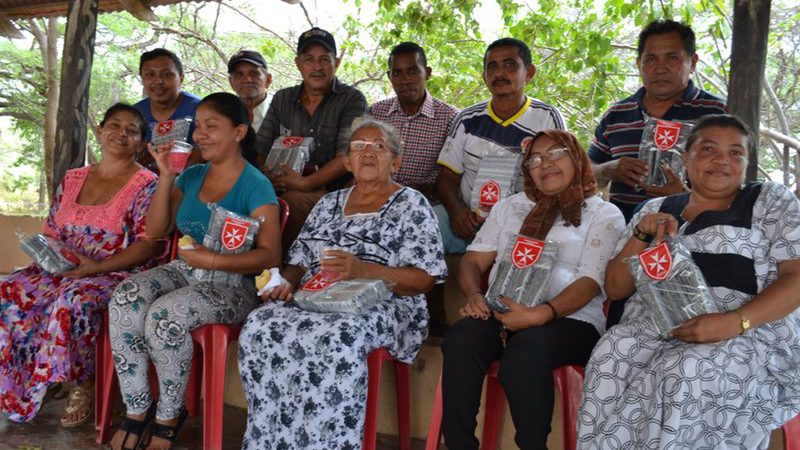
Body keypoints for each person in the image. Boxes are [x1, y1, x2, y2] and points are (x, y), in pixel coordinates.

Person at [578, 114, 800, 450]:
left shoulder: (769, 201)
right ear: (685, 158)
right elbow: (616, 288)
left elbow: (796, 276)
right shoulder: (656, 207)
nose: (722, 159)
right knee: (614, 350)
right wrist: (642, 232)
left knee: (688, 367)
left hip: (749, 334)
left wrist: (732, 322)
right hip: (656, 330)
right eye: (709, 149)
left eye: (736, 153)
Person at [238, 117, 447, 449]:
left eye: (378, 146)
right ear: (347, 161)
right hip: (317, 299)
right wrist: (284, 284)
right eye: (358, 147)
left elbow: (423, 279)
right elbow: (299, 260)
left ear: (396, 161)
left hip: (387, 305)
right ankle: (271, 440)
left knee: (339, 335)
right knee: (260, 323)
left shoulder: (412, 205)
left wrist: (363, 269)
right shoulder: (329, 204)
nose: (367, 153)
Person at [108, 93, 281, 450]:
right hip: (185, 270)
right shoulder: (192, 174)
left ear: (238, 132)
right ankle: (138, 408)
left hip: (233, 287)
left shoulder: (255, 185)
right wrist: (167, 177)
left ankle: (170, 414)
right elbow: (157, 231)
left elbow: (270, 256)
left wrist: (214, 261)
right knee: (125, 295)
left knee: (165, 314)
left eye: (211, 126)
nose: (200, 135)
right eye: (198, 126)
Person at [440, 129, 625, 449]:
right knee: (461, 339)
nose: (545, 164)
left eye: (556, 153)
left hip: (570, 320)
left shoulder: (602, 213)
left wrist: (540, 314)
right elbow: (473, 261)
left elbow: (592, 281)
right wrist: (474, 295)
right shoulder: (510, 207)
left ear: (578, 159)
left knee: (524, 354)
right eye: (535, 159)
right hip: (502, 310)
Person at [0, 103, 162, 425]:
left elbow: (148, 245)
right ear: (100, 131)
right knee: (10, 290)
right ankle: (33, 374)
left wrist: (95, 268)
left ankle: (83, 381)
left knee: (74, 298)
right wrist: (49, 256)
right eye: (115, 125)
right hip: (63, 268)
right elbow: (52, 231)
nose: (122, 134)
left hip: (115, 271)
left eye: (132, 130)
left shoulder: (147, 184)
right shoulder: (73, 178)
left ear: (142, 143)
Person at [436, 37, 565, 254]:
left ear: (530, 73)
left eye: (510, 64)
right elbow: (447, 177)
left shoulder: (547, 118)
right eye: (492, 66)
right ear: (484, 76)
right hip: (468, 219)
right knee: (428, 223)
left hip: (521, 220)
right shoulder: (467, 118)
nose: (499, 73)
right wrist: (457, 212)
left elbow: (560, 178)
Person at [589, 20, 726, 222]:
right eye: (651, 59)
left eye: (672, 58)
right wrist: (608, 169)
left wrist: (683, 196)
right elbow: (586, 173)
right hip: (623, 239)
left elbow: (738, 188)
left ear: (693, 62)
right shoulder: (616, 114)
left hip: (695, 238)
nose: (660, 68)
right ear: (639, 64)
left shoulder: (719, 114)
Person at [255, 27, 368, 252]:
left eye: (324, 59)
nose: (317, 67)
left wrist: (305, 182)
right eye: (309, 59)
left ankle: (278, 270)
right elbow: (261, 149)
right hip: (279, 183)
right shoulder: (283, 98)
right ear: (298, 63)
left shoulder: (351, 99)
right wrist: (267, 177)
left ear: (336, 63)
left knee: (293, 202)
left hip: (331, 190)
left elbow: (347, 154)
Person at [369, 41, 458, 198]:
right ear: (390, 77)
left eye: (413, 71)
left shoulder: (449, 118)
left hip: (426, 202)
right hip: (376, 196)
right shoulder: (376, 113)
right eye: (397, 73)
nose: (405, 80)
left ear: (427, 73)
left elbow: (452, 175)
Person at [134, 48, 202, 171]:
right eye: (150, 74)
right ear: (142, 79)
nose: (158, 81)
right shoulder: (134, 114)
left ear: (181, 78)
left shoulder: (201, 109)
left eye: (166, 75)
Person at [227, 49, 273, 161]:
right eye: (239, 75)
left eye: (254, 73)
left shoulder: (281, 112)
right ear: (231, 83)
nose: (247, 79)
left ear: (268, 80)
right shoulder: (223, 113)